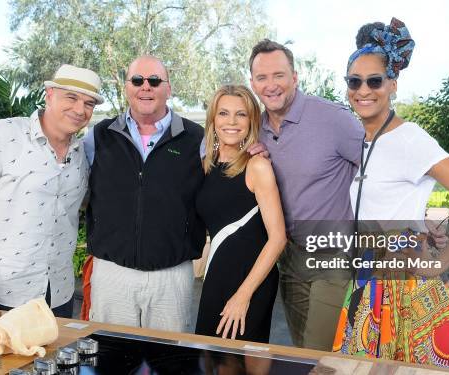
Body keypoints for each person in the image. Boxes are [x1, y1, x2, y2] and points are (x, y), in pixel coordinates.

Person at [332, 18, 449, 368]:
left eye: (374, 81)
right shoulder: (362, 141)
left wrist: (440, 262)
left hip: (406, 289)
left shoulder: (410, 139)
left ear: (392, 85)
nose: (363, 90)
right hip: (366, 277)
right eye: (355, 81)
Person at [0, 64, 103, 317]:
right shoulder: (2, 134)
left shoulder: (82, 153)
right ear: (49, 94)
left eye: (89, 104)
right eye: (71, 97)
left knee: (53, 357)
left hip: (58, 290)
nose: (79, 109)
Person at [248, 39, 365, 350]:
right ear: (253, 83)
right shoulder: (253, 128)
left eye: (279, 75)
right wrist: (247, 152)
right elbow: (213, 147)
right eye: (262, 78)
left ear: (295, 78)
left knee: (319, 351)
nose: (271, 85)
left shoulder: (332, 118)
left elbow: (379, 169)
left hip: (332, 256)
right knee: (302, 351)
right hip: (289, 258)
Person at [84, 55, 206, 332]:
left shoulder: (197, 139)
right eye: (137, 80)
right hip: (112, 272)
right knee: (110, 356)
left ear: (168, 88)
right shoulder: (98, 136)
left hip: (172, 275)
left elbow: (229, 173)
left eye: (154, 81)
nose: (145, 87)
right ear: (126, 87)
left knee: (168, 361)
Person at [195, 85, 286, 343]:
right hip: (217, 275)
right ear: (213, 119)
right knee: (208, 357)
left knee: (238, 362)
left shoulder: (257, 165)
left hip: (250, 282)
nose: (232, 122)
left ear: (252, 121)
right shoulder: (206, 165)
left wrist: (242, 295)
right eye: (223, 113)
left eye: (241, 114)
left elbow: (278, 238)